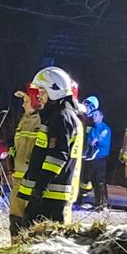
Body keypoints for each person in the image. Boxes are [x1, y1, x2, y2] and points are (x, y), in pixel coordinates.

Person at [9, 66, 85, 235]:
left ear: (54, 90)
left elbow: (57, 157)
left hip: (51, 195)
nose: (40, 97)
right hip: (46, 193)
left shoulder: (61, 117)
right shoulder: (56, 115)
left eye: (42, 92)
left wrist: (40, 187)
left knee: (41, 240)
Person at [78, 96, 112, 209]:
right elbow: (89, 141)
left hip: (99, 157)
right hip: (91, 156)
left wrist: (96, 141)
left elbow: (101, 140)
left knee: (99, 181)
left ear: (101, 116)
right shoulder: (92, 127)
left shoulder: (104, 128)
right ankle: (95, 202)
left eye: (96, 115)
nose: (93, 117)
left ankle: (102, 203)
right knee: (90, 179)